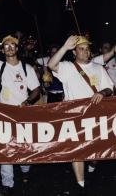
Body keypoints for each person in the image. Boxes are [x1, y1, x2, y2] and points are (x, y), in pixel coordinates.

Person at [48, 35, 113, 195]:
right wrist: (64, 46)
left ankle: (92, 165)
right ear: (74, 52)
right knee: (77, 151)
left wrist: (102, 92)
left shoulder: (98, 68)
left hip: (96, 117)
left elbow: (110, 88)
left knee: (95, 151)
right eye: (81, 49)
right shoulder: (68, 67)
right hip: (75, 117)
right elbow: (51, 64)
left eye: (87, 48)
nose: (85, 51)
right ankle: (80, 185)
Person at [0, 20, 40, 196]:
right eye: (6, 46)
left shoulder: (26, 68)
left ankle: (25, 170)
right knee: (5, 149)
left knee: (23, 149)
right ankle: (7, 183)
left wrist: (28, 102)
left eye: (12, 45)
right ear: (3, 49)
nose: (9, 48)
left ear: (17, 48)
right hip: (4, 113)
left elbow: (36, 90)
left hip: (22, 113)